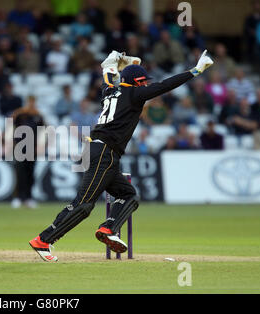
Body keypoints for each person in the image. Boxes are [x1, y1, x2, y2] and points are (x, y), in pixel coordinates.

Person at [29, 49, 214, 262]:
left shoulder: (109, 91)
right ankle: (43, 240)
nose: (145, 86)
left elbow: (107, 72)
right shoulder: (134, 94)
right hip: (104, 152)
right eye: (142, 82)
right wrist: (196, 70)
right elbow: (165, 85)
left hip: (100, 151)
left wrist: (113, 61)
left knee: (129, 195)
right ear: (135, 83)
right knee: (84, 204)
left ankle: (108, 229)